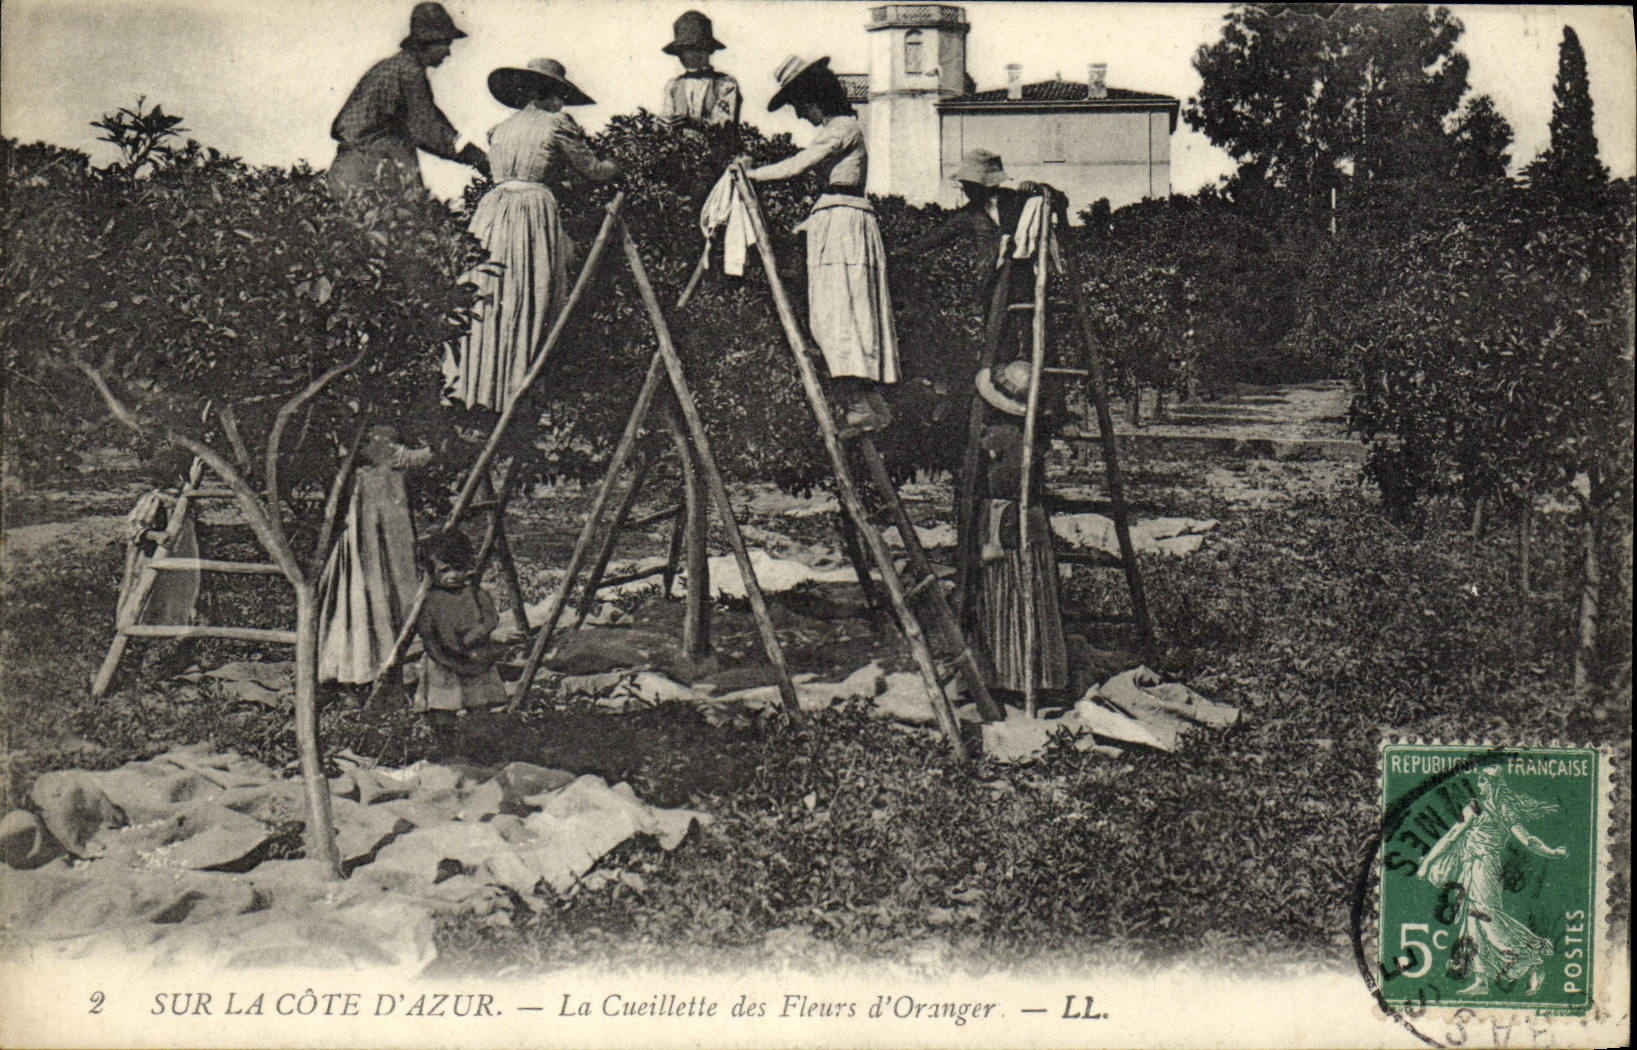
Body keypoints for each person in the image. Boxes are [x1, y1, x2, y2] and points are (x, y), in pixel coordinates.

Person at [443, 58, 620, 413]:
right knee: (532, 292)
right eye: (561, 97)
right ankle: (518, 390)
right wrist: (619, 165)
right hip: (531, 214)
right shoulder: (556, 124)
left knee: (491, 295)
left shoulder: (500, 129)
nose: (562, 105)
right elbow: (594, 170)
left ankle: (477, 390)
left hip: (492, 212)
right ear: (550, 95)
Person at [740, 56, 898, 438]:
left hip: (843, 223)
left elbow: (801, 164)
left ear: (816, 100)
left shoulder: (842, 128)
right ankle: (870, 404)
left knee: (838, 312)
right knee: (843, 310)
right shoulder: (841, 128)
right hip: (838, 220)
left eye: (800, 106)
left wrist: (750, 174)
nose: (800, 115)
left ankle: (860, 406)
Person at [1417, 768, 1567, 996]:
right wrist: (1552, 852)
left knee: (1486, 921)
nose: (1479, 786)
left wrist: (1427, 862)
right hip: (1479, 869)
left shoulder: (1479, 809)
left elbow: (1451, 837)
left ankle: (1528, 958)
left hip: (1482, 869)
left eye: (1483, 781)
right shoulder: (1503, 811)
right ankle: (1482, 979)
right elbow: (1530, 841)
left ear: (1494, 784)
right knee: (1473, 924)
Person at [972, 360, 1068, 695]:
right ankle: (1038, 675)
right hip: (1030, 519)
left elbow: (1001, 484)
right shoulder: (1031, 438)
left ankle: (1008, 676)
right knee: (1032, 594)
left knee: (1007, 594)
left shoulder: (1000, 437)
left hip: (1010, 521)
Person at [327, 2, 489, 197]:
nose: (448, 52)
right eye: (445, 43)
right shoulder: (409, 71)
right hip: (369, 171)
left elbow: (431, 119)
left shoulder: (396, 67)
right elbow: (428, 129)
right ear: (428, 42)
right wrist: (478, 159)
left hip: (350, 171)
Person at [317, 425, 433, 685]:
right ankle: (369, 660)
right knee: (369, 585)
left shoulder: (370, 429)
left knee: (391, 583)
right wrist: (443, 445)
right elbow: (406, 456)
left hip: (388, 519)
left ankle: (388, 654)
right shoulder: (371, 433)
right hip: (370, 519)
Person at [414, 529, 507, 727]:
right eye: (445, 570)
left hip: (475, 656)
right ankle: (445, 742)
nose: (454, 575)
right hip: (444, 662)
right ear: (431, 572)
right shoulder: (431, 601)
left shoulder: (474, 593)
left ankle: (477, 740)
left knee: (480, 703)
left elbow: (490, 618)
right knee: (441, 706)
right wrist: (446, 656)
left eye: (459, 568)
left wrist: (474, 636)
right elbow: (428, 635)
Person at [117, 450, 201, 631]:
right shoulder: (156, 499)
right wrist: (155, 536)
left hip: (179, 558)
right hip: (153, 558)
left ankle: (166, 637)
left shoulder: (182, 500)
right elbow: (133, 526)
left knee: (174, 597)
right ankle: (137, 636)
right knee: (146, 597)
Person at [659, 11, 741, 129]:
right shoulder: (673, 86)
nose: (684, 56)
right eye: (681, 51)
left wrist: (691, 122)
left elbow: (723, 123)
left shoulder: (725, 84)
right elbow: (667, 116)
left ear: (706, 50)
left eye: (690, 49)